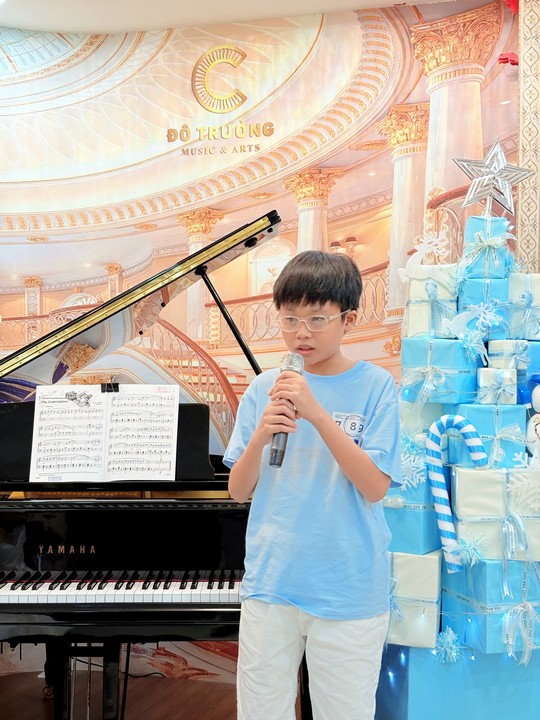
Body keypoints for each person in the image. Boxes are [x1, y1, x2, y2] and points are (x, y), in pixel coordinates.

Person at [224, 250, 401, 720]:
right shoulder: (263, 389)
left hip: (348, 586)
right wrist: (262, 434)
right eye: (290, 319)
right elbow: (238, 490)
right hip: (271, 582)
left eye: (317, 319)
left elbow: (375, 487)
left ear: (348, 320)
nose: (301, 332)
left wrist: (318, 413)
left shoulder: (376, 385)